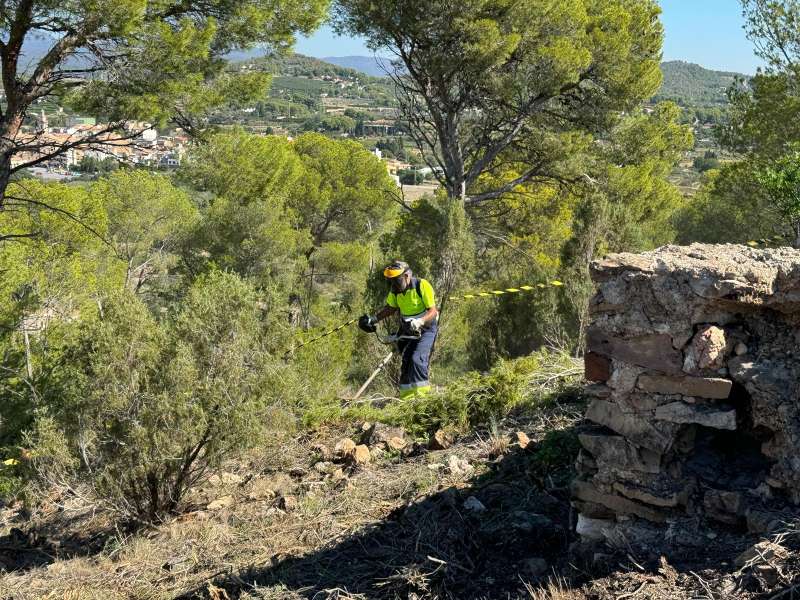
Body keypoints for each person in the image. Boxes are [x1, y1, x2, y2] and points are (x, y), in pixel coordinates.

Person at [359, 260, 439, 399]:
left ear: (407, 276)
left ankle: (424, 399)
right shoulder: (395, 291)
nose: (394, 284)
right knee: (407, 361)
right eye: (391, 281)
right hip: (408, 330)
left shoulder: (421, 285)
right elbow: (390, 308)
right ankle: (406, 399)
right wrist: (373, 319)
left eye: (397, 280)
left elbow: (433, 311)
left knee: (417, 359)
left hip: (426, 329)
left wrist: (420, 321)